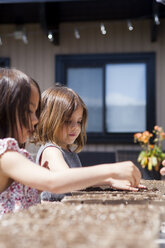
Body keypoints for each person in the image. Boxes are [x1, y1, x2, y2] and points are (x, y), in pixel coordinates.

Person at [0, 68, 141, 217]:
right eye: (29, 111)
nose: (36, 119)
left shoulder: (17, 155)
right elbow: (55, 181)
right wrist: (110, 171)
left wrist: (108, 180)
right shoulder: (6, 155)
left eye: (36, 112)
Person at [34, 85, 143, 202]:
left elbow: (79, 181)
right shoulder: (51, 150)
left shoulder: (67, 150)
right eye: (67, 121)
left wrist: (110, 181)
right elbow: (66, 178)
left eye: (79, 121)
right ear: (49, 120)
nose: (75, 127)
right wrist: (109, 173)